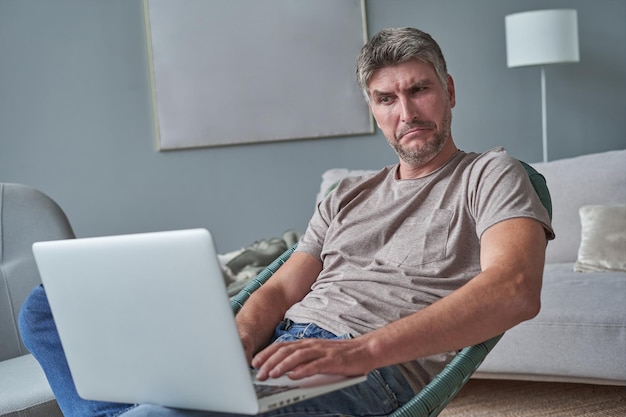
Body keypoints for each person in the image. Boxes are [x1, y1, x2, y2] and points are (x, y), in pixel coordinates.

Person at [19, 27, 554, 417]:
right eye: (386, 98)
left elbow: (514, 289)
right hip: (279, 350)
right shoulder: (346, 195)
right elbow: (277, 290)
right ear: (373, 109)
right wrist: (233, 346)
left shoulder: (491, 174)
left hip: (371, 369)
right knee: (46, 308)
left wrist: (356, 352)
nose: (406, 113)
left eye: (419, 90)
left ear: (450, 91)